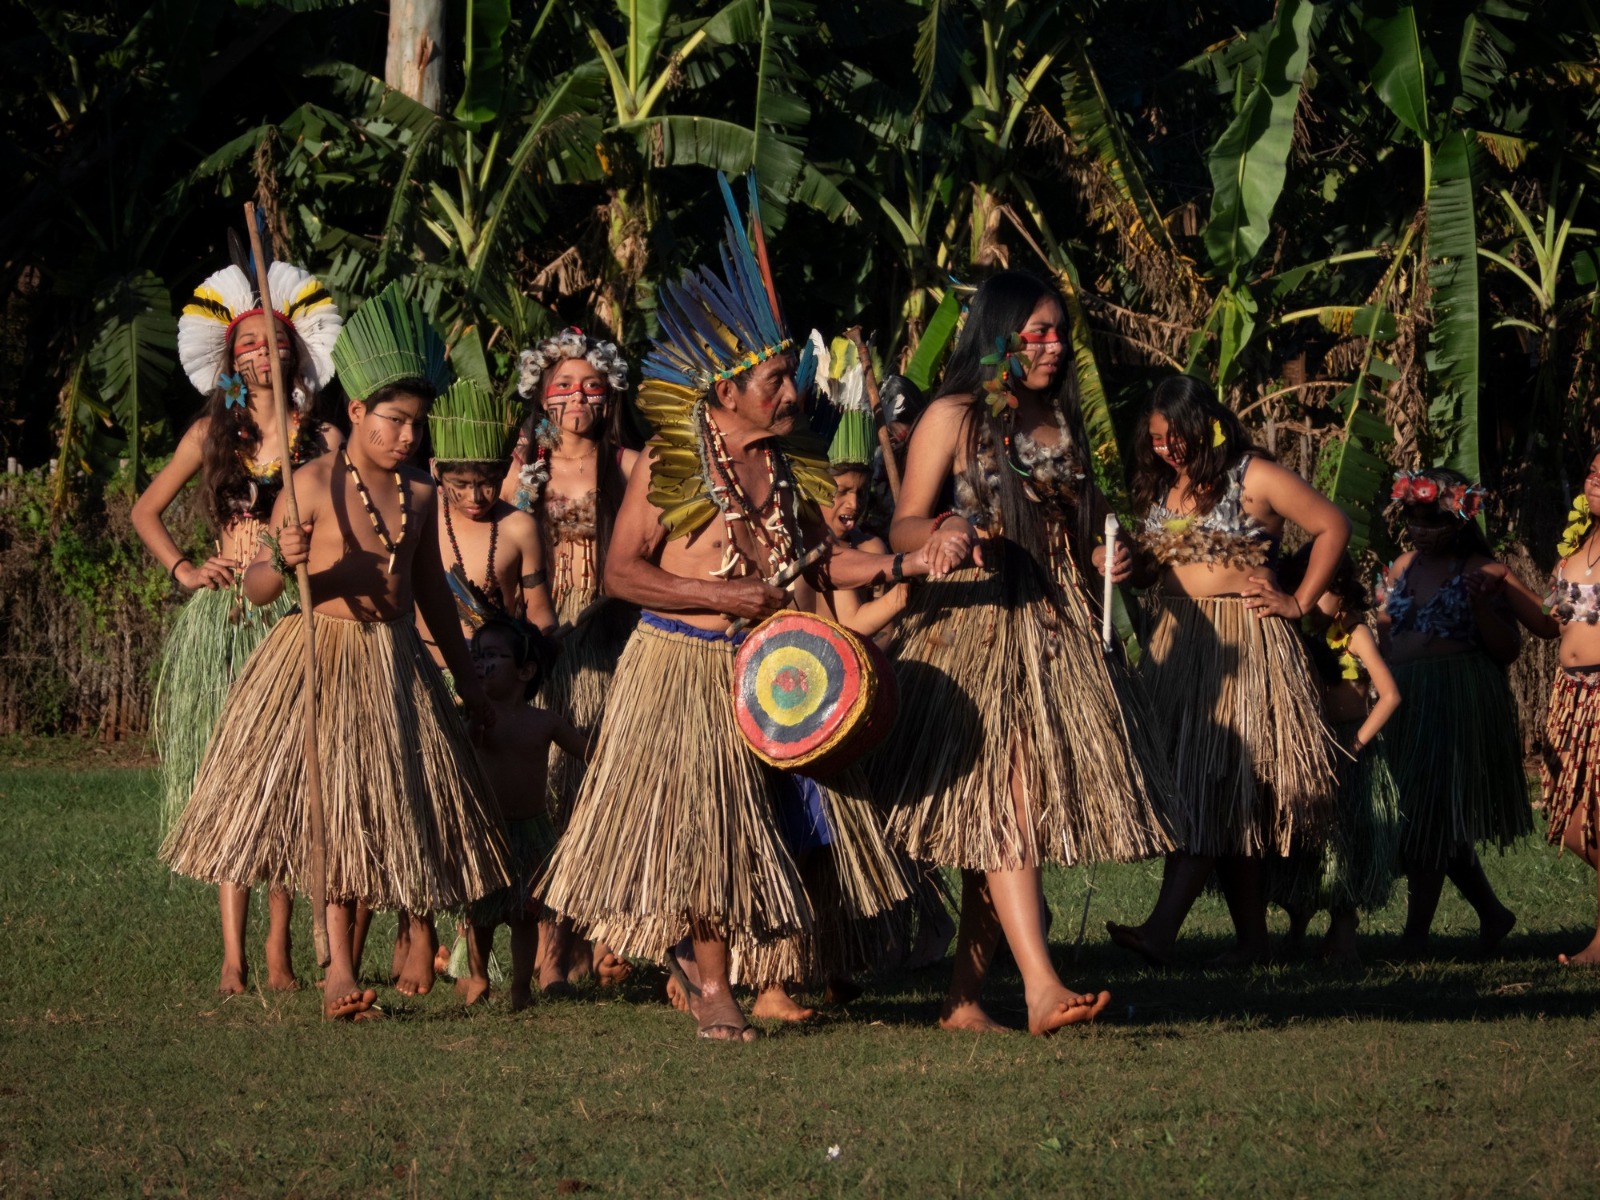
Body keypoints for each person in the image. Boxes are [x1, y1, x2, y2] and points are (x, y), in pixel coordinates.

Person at [539, 171, 962, 1042]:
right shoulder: (671, 465)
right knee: (711, 826)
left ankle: (777, 964)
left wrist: (910, 557)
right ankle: (716, 988)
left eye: (788, 378)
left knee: (798, 821)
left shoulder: (792, 464)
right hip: (684, 663)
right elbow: (621, 573)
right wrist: (715, 593)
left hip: (774, 668)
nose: (790, 392)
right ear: (725, 392)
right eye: (773, 380)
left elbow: (818, 556)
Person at [161, 282, 511, 1020]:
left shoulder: (420, 496)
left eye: (416, 425)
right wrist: (287, 561)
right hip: (315, 657)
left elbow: (435, 602)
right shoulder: (311, 481)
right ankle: (337, 971)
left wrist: (469, 689)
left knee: (369, 812)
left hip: (389, 664)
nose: (407, 437)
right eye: (393, 421)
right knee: (324, 811)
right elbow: (259, 590)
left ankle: (378, 951)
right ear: (355, 413)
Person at [874, 269, 1173, 1035]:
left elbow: (1087, 528)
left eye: (1059, 333)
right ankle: (1041, 988)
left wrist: (1115, 559)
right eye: (1036, 332)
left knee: (1011, 813)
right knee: (1009, 801)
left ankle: (964, 999)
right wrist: (941, 533)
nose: (1052, 346)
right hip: (978, 628)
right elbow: (903, 525)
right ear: (999, 333)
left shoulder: (1059, 420)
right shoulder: (955, 415)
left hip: (1057, 627)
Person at [132, 246, 341, 995]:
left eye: (273, 341)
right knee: (229, 783)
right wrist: (188, 569)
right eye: (247, 344)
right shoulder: (210, 435)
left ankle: (281, 953)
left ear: (296, 352)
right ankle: (232, 957)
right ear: (230, 358)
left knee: (281, 780)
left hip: (295, 616)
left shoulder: (324, 439)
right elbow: (145, 510)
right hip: (226, 618)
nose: (260, 353)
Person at [1106, 375, 1346, 968]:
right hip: (1178, 647)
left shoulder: (1255, 475)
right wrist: (1125, 564)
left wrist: (1297, 599)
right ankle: (1254, 943)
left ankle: (1162, 930)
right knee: (1218, 793)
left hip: (1242, 649)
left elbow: (1332, 526)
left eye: (1176, 436)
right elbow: (1154, 571)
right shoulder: (1165, 486)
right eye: (1157, 439)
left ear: (1205, 422)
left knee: (1210, 785)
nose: (1168, 449)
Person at [503, 327, 639, 986]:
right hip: (548, 640)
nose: (577, 397)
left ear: (609, 393)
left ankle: (609, 932)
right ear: (541, 394)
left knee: (604, 785)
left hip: (616, 638)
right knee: (552, 788)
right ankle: (557, 945)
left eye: (591, 385)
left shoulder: (632, 467)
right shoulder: (523, 471)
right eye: (563, 385)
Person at [1377, 468, 1527, 958]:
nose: (1421, 527)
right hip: (1404, 701)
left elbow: (1509, 649)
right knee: (1428, 818)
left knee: (1428, 818)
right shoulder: (1402, 567)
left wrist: (1483, 606)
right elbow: (1388, 634)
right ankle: (1493, 913)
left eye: (1433, 518)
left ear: (1460, 519)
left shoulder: (1486, 571)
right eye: (1414, 517)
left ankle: (1415, 936)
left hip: (1456, 700)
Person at [1462, 452, 1600, 963]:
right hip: (1570, 696)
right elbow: (1549, 623)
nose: (1595, 478)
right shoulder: (1577, 549)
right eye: (1592, 469)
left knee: (1593, 822)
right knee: (1569, 819)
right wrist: (1502, 584)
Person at [1267, 547, 1403, 964]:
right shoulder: (1306, 632)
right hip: (1315, 746)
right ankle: (1296, 929)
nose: (1310, 600)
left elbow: (1391, 696)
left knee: (1351, 842)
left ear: (1341, 591)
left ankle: (1344, 934)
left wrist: (1354, 747)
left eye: (1320, 591)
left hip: (1352, 747)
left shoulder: (1355, 633)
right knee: (1310, 846)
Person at [457, 617, 588, 1009]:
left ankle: (520, 988)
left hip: (531, 832)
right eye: (476, 657)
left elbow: (586, 751)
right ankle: (478, 977)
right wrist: (475, 726)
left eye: (492, 656)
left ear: (525, 670)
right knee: (481, 914)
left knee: (525, 916)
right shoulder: (475, 716)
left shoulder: (543, 721)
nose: (480, 665)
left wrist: (618, 754)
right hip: (487, 832)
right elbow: (464, 748)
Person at [425, 376, 556, 656]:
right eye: (459, 484)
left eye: (487, 484)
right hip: (428, 673)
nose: (475, 497)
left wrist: (537, 649)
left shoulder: (519, 528)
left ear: (507, 469)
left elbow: (541, 613)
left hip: (497, 677)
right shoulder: (420, 521)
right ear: (436, 469)